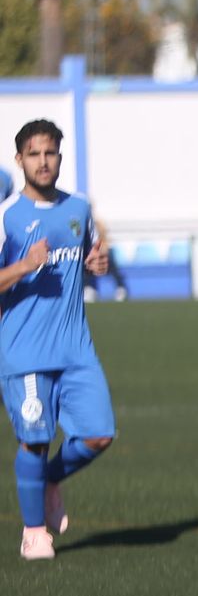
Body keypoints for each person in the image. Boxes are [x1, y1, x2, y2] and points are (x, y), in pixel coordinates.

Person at [0, 120, 116, 560]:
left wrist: (98, 263)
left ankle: (47, 482)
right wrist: (24, 266)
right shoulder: (7, 215)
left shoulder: (79, 208)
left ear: (60, 159)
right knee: (35, 439)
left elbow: (90, 254)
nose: (43, 162)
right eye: (34, 154)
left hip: (76, 349)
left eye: (50, 154)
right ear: (20, 160)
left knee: (99, 435)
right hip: (24, 351)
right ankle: (33, 532)